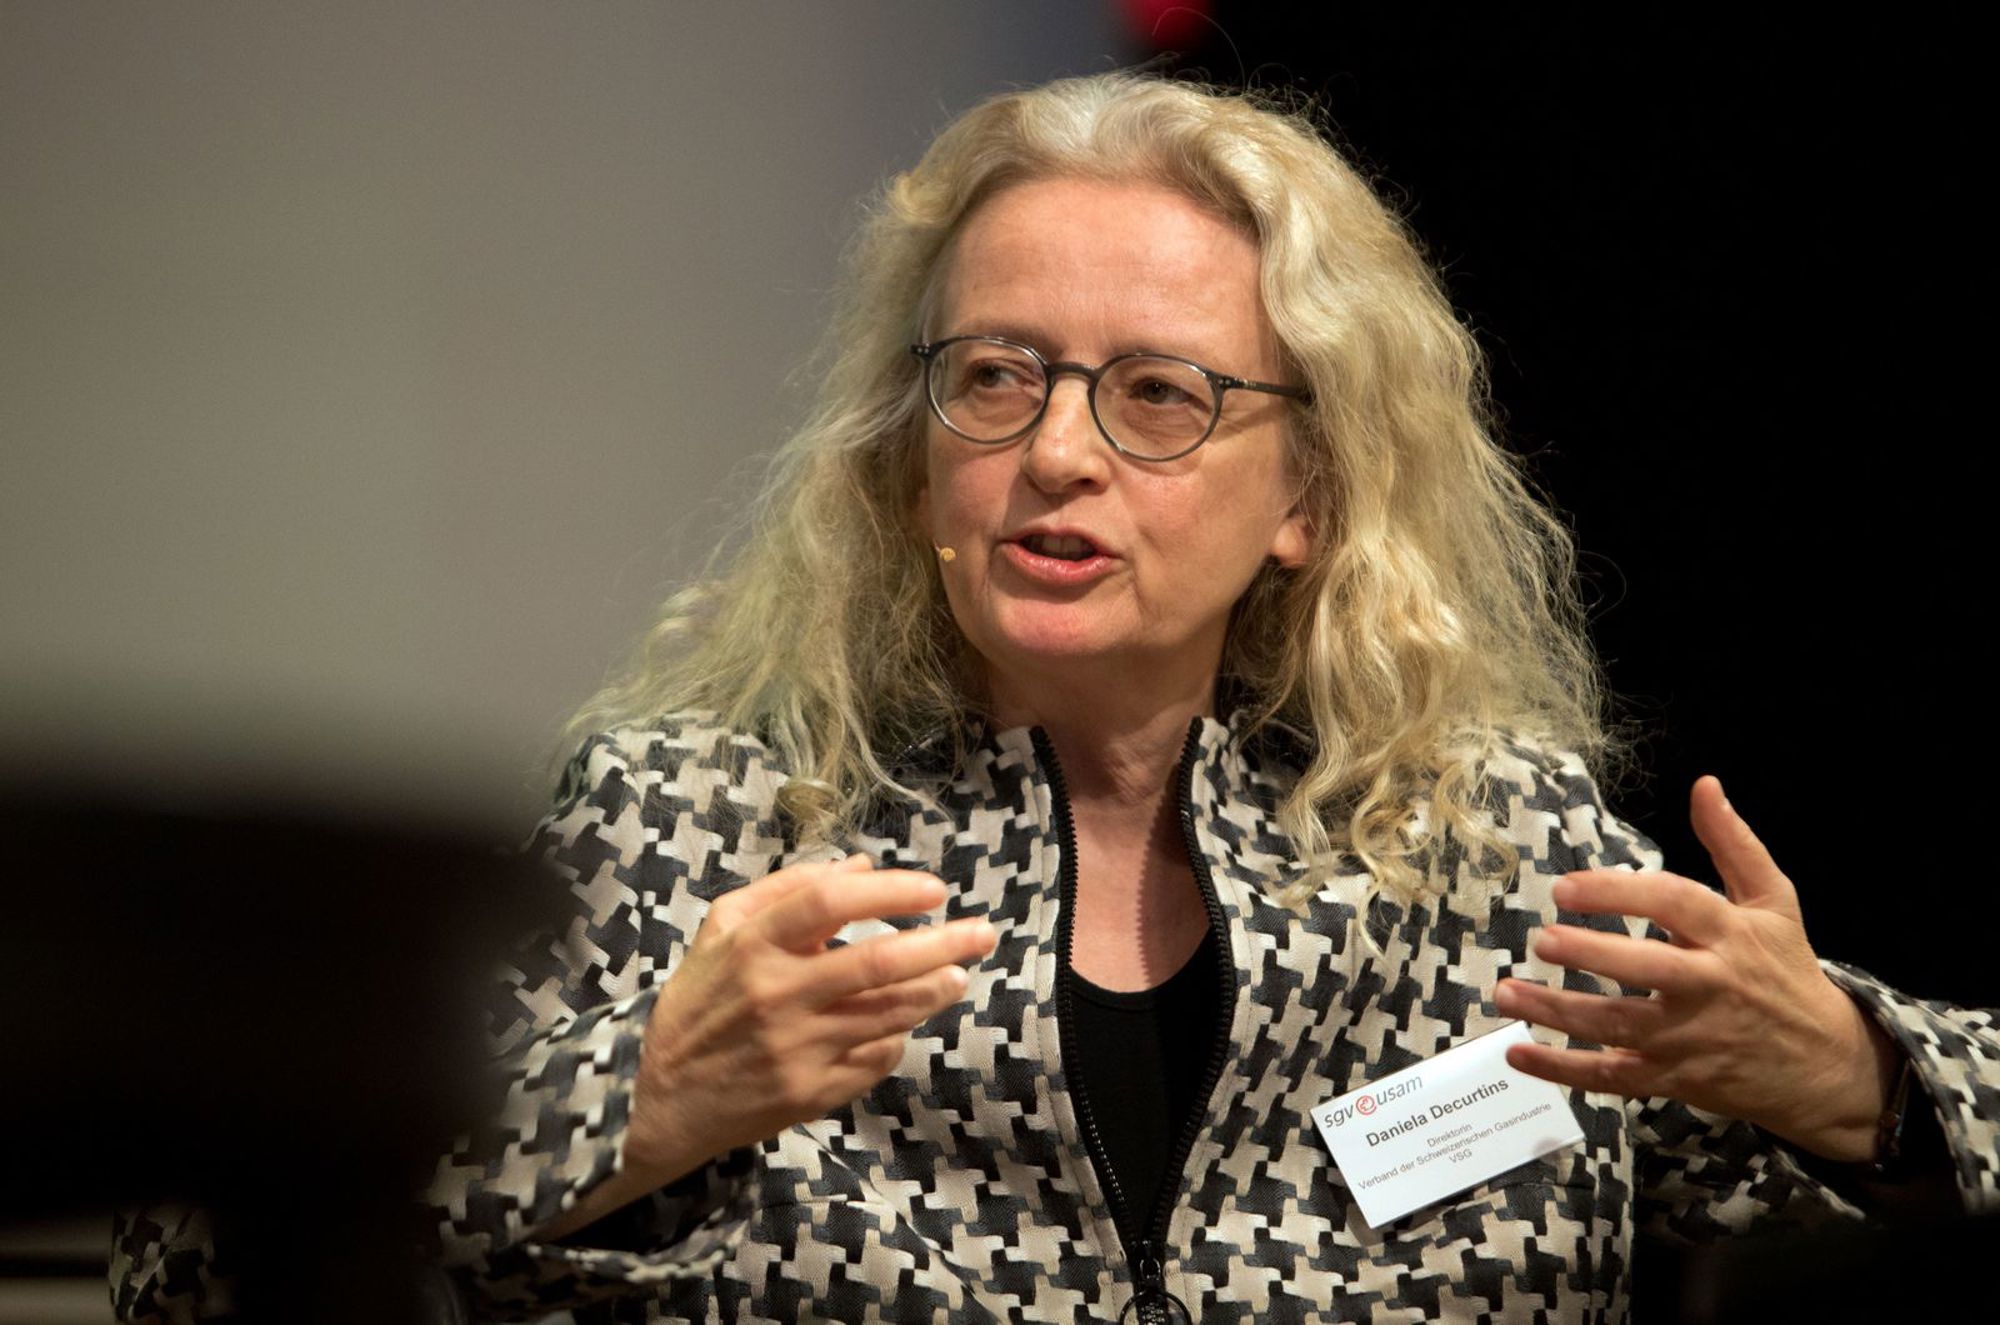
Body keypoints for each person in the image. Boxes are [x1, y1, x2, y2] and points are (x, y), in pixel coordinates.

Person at [114, 72, 1997, 1323]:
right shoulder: (690, 819)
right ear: (910, 451)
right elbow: (180, 1257)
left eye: (1159, 393)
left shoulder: (1483, 849)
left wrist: (1853, 1078)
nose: (1059, 454)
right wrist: (643, 1095)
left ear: (1310, 494)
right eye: (997, 377)